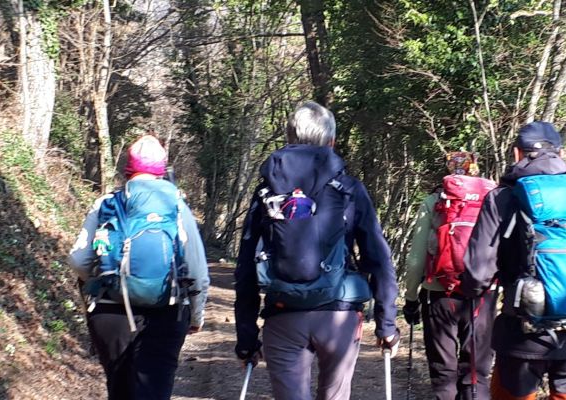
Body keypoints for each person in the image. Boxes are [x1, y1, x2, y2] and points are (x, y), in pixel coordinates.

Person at [234, 101, 400, 400]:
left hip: (282, 315)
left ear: (288, 137)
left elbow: (246, 264)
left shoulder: (266, 192)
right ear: (332, 141)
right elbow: (377, 257)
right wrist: (386, 323)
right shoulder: (348, 188)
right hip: (339, 318)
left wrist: (246, 336)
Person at [460, 122, 566, 400]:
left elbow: (478, 274)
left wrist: (475, 293)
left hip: (520, 334)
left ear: (517, 154)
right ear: (560, 153)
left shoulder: (501, 198)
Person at [68, 134, 210, 400]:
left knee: (120, 391)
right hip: (166, 313)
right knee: (154, 391)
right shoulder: (177, 205)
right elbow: (197, 271)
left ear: (128, 169)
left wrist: (104, 282)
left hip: (110, 314)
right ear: (162, 169)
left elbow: (78, 260)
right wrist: (196, 316)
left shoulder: (107, 203)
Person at [402, 152, 498, 400]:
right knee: (476, 371)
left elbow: (415, 259)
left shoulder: (435, 202)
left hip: (439, 292)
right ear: (475, 170)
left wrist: (411, 298)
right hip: (482, 293)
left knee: (443, 371)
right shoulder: (493, 200)